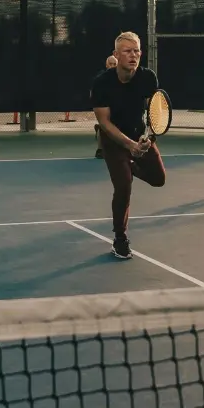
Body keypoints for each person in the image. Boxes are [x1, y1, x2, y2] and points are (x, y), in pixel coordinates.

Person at [90, 32, 166, 259]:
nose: (133, 55)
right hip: (113, 140)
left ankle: (130, 166)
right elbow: (104, 122)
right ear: (116, 55)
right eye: (127, 51)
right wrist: (130, 145)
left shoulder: (147, 78)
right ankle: (120, 238)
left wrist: (147, 138)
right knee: (123, 186)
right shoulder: (102, 83)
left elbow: (156, 113)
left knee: (158, 179)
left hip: (138, 135)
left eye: (137, 51)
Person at [94, 53, 118, 159]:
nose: (112, 66)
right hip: (104, 107)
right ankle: (100, 149)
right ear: (106, 65)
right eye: (110, 64)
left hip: (118, 108)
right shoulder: (100, 78)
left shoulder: (121, 76)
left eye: (114, 64)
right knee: (103, 126)